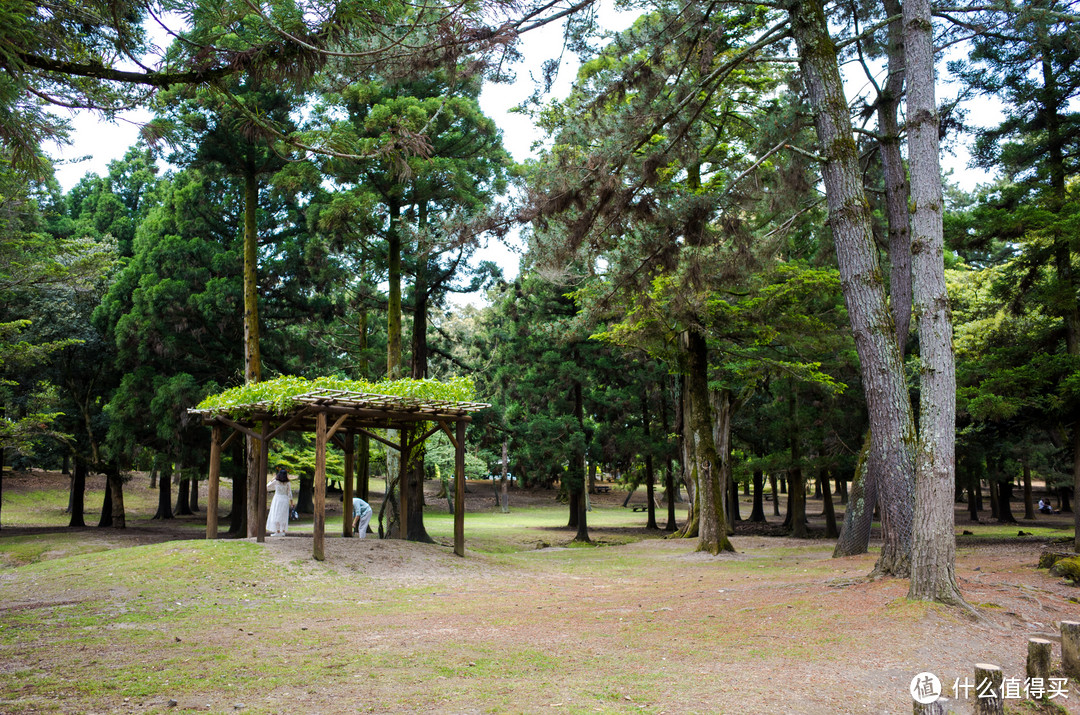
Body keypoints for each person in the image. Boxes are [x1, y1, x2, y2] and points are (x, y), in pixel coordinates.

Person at [266, 468, 294, 536]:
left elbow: (267, 487)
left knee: (276, 514)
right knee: (283, 515)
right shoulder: (288, 483)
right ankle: (283, 531)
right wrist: (291, 502)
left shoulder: (276, 481)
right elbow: (289, 493)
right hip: (285, 499)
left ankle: (277, 531)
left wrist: (271, 480)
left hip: (277, 499)